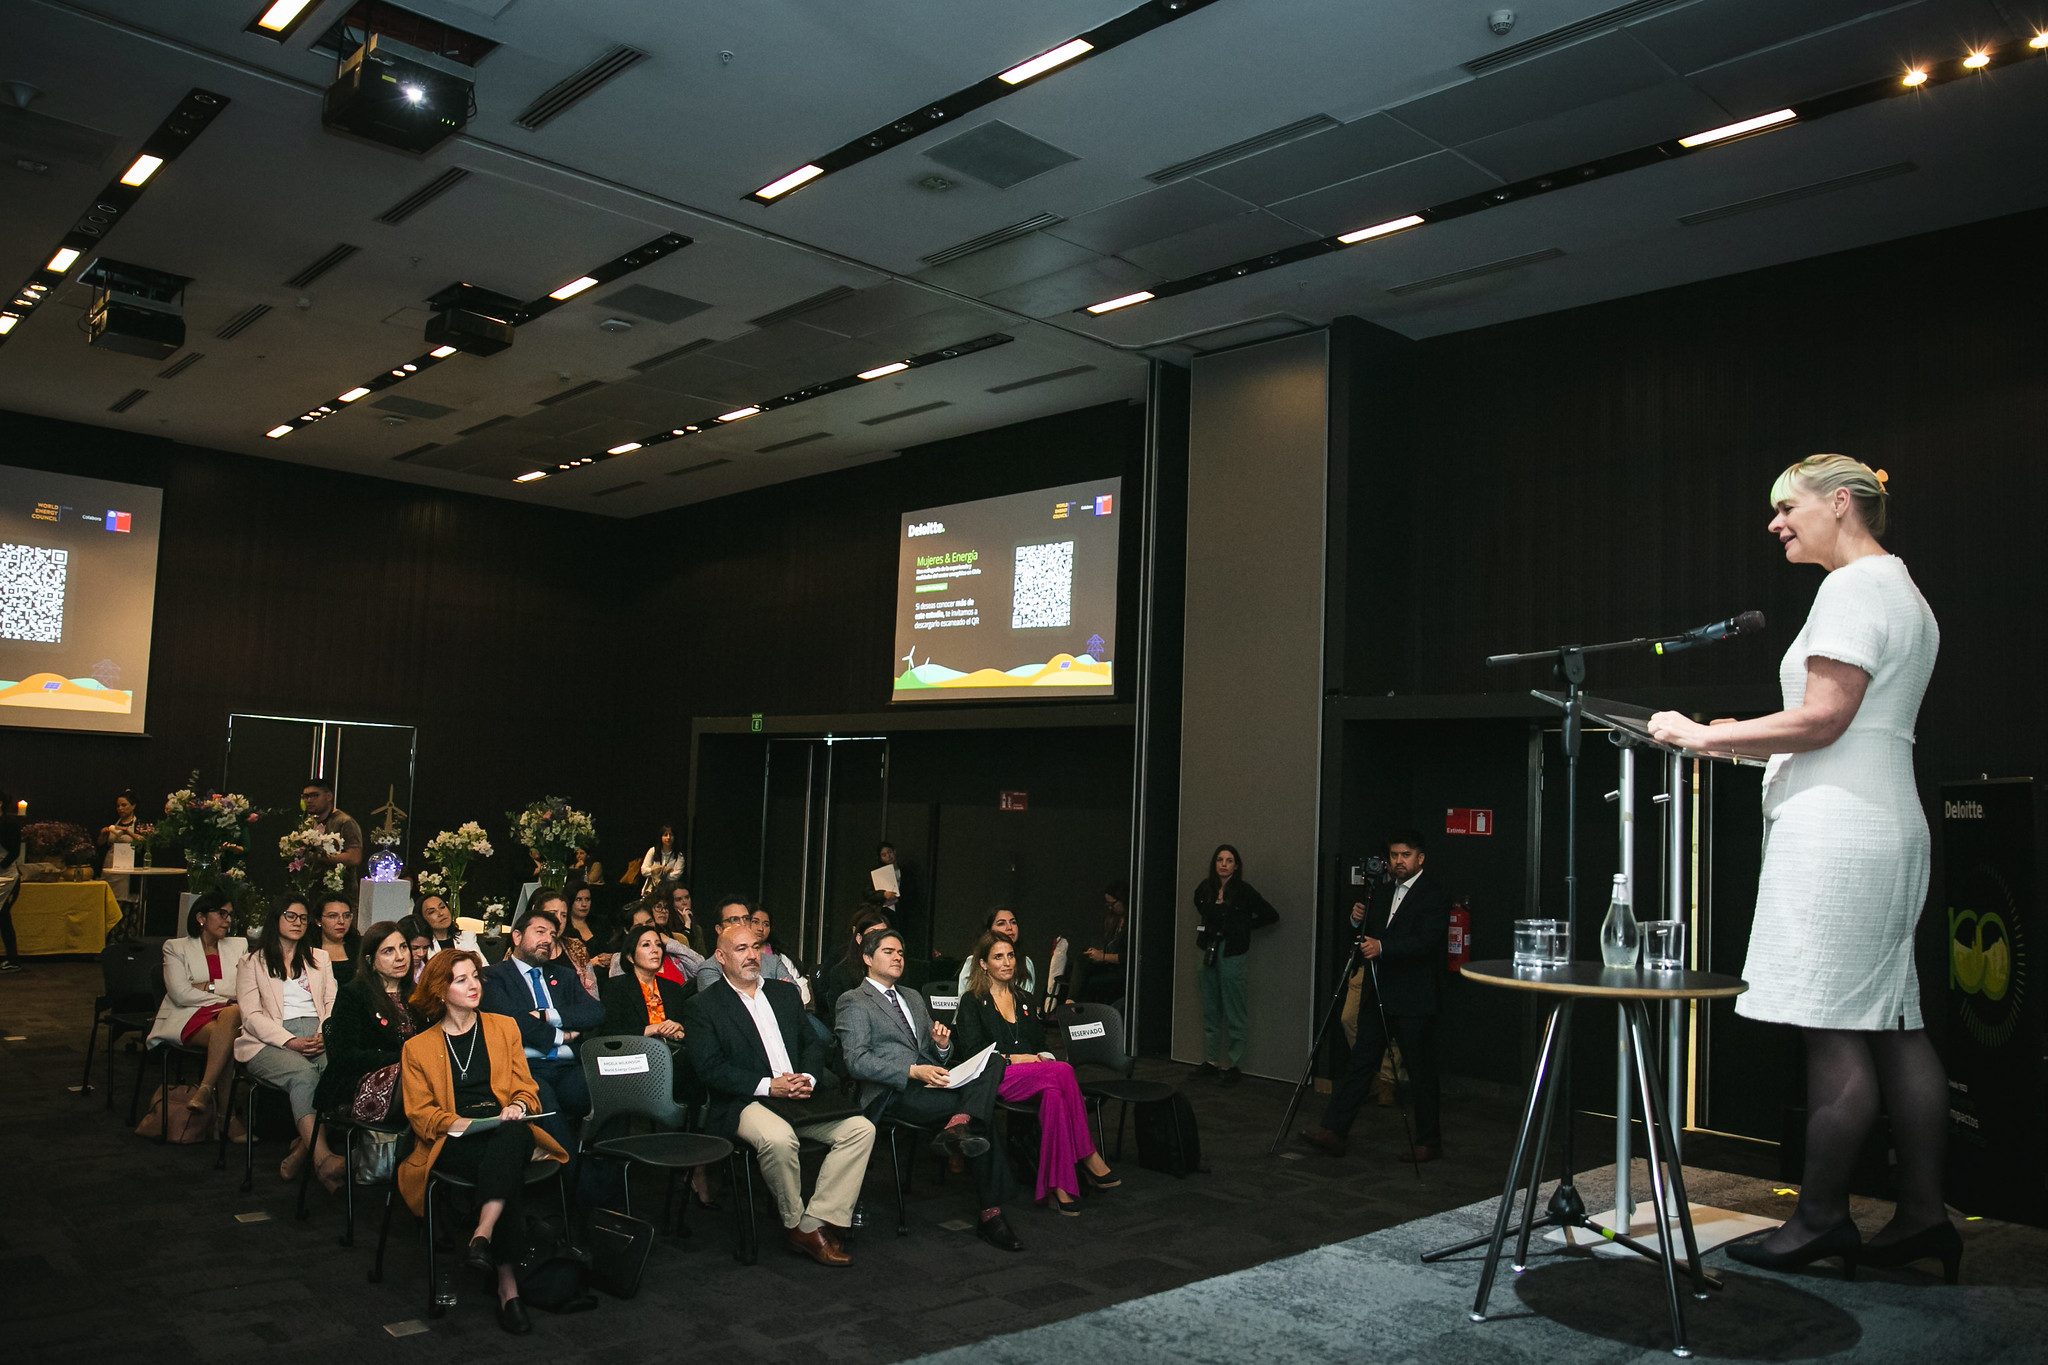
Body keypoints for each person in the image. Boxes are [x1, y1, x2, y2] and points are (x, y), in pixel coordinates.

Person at [1650, 455, 1950, 1280]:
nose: (1775, 522)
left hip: (1838, 834)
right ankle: (1925, 1216)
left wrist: (1703, 736)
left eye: (1787, 506)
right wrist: (1746, 736)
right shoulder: (1905, 592)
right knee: (1896, 1022)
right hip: (1885, 818)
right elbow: (1848, 729)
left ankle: (1819, 1220)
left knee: (1838, 1027)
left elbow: (1822, 719)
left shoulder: (1851, 589)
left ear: (1841, 503)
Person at [686, 920, 875, 1266]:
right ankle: (796, 1222)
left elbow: (813, 1045)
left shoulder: (784, 993)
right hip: (747, 1099)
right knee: (779, 1139)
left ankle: (812, 1222)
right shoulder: (705, 1006)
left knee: (861, 1130)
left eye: (755, 947)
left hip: (799, 1093)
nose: (751, 955)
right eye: (741, 949)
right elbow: (710, 1068)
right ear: (720, 957)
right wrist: (768, 1085)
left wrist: (808, 1077)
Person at [400, 949, 568, 1335]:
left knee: (510, 1137)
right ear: (441, 991)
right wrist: (457, 1121)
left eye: (475, 975)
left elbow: (527, 1088)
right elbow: (420, 1113)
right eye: (461, 979)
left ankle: (483, 1235)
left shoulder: (502, 1027)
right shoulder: (418, 1047)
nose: (474, 984)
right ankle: (507, 1287)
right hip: (455, 1138)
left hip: (506, 1127)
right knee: (503, 1164)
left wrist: (518, 1106)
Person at [838, 926, 1022, 1252]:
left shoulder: (912, 996)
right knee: (983, 1117)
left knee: (993, 1061)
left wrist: (941, 1047)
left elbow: (931, 1053)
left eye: (900, 953)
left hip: (931, 1080)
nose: (898, 958)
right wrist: (911, 1070)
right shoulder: (853, 1001)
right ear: (867, 958)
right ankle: (991, 1213)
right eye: (888, 952)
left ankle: (960, 1122)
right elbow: (857, 1061)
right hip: (892, 1091)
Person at [1299, 829, 1451, 1162]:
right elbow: (1369, 935)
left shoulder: (1432, 894)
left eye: (1405, 855)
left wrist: (1383, 947)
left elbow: (1425, 942)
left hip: (1413, 997)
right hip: (1378, 990)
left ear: (1420, 859)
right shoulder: (1382, 893)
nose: (1398, 861)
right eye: (1394, 856)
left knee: (1421, 1070)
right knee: (1360, 1064)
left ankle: (1429, 1141)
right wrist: (1358, 923)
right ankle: (1334, 1131)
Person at [953, 932, 1119, 1213]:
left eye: (1010, 955)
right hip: (997, 1075)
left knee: (1054, 1096)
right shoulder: (972, 1001)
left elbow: (1041, 1045)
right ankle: (1088, 1155)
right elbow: (973, 1054)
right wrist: (1017, 1059)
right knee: (1064, 1071)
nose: (1006, 962)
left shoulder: (1026, 999)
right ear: (983, 964)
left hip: (1036, 1076)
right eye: (997, 957)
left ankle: (1059, 1186)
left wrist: (1042, 1058)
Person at [479, 903, 603, 1154]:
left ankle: (606, 1172)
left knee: (610, 1094)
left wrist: (549, 1015)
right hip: (525, 1069)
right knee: (547, 1106)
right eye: (540, 932)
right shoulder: (493, 976)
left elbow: (595, 1012)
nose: (548, 939)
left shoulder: (564, 976)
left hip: (567, 1067)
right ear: (516, 936)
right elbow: (513, 1022)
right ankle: (571, 1180)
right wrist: (562, 1036)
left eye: (552, 935)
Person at [234, 894, 339, 1182]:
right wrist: (288, 1041)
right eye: (290, 916)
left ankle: (301, 1151)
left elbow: (331, 1003)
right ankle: (322, 1159)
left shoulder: (321, 958)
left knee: (339, 1072)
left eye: (303, 918)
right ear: (276, 919)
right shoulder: (251, 962)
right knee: (305, 1075)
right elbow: (251, 1016)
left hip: (316, 1034)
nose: (298, 922)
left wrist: (323, 1034)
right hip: (268, 1040)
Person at [314, 921, 423, 1185]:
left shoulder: (417, 994)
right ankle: (422, 1162)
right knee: (414, 1072)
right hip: (356, 1083)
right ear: (371, 961)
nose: (400, 957)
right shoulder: (353, 995)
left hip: (414, 1083)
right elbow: (345, 1056)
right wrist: (403, 1059)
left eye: (403, 948)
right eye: (388, 951)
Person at [146, 892, 247, 1130]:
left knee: (231, 1019)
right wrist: (225, 994)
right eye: (222, 913)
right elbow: (180, 993)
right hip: (189, 1015)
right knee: (229, 1039)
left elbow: (243, 987)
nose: (228, 920)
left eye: (230, 915)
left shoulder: (238, 945)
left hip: (228, 1015)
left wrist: (207, 986)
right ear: (201, 917)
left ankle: (205, 1090)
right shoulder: (176, 947)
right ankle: (227, 1119)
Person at [1192, 844, 1278, 1083]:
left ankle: (1234, 1064)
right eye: (1219, 859)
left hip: (1232, 953)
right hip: (1207, 949)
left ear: (1236, 865)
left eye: (1229, 860)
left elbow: (1271, 915)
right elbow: (1199, 905)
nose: (1223, 864)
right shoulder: (1205, 888)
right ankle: (1211, 1060)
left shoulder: (1244, 891)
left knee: (1234, 1008)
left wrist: (1243, 928)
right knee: (1210, 1006)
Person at [697, 897, 802, 991]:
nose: (742, 924)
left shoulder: (773, 962)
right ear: (719, 929)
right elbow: (721, 1006)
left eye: (746, 919)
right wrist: (777, 991)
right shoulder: (709, 968)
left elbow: (794, 993)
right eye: (734, 919)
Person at [816, 907, 891, 1029]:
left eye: (883, 935)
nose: (878, 940)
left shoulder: (894, 971)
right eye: (873, 933)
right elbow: (844, 1022)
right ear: (859, 939)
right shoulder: (841, 973)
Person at [299, 778, 363, 910]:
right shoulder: (308, 823)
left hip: (340, 897)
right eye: (306, 796)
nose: (309, 800)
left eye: (314, 795)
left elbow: (355, 857)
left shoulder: (344, 821)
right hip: (313, 895)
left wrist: (319, 857)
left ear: (329, 796)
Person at [954, 907, 1038, 1000]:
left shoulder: (1026, 962)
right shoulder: (973, 961)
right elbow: (965, 1004)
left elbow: (1028, 1001)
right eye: (1001, 923)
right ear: (989, 931)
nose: (1009, 927)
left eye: (1013, 922)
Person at [1074, 881, 1129, 1006]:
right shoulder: (1113, 920)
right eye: (1108, 904)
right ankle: (1070, 1002)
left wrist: (1103, 957)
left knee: (1090, 981)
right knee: (1081, 961)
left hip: (1121, 970)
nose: (1110, 908)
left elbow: (1127, 957)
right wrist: (1098, 953)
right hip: (1108, 963)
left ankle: (1081, 1010)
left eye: (1112, 904)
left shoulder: (1132, 924)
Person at [97, 789, 143, 901]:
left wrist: (128, 831)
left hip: (128, 869)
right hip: (111, 864)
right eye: (118, 806)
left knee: (125, 899)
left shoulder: (139, 825)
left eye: (124, 805)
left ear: (133, 806)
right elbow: (101, 843)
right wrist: (103, 835)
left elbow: (143, 841)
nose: (120, 809)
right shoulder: (113, 822)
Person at [314, 891, 359, 988]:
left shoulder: (359, 946)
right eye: (332, 916)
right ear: (318, 921)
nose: (341, 921)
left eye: (346, 916)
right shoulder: (307, 949)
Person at [600, 904, 655, 977]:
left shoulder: (666, 946)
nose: (645, 928)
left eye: (649, 922)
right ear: (626, 930)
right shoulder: (619, 959)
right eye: (638, 926)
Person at [400, 915, 437, 984]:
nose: (421, 953)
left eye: (425, 948)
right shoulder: (392, 973)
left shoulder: (432, 972)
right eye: (414, 948)